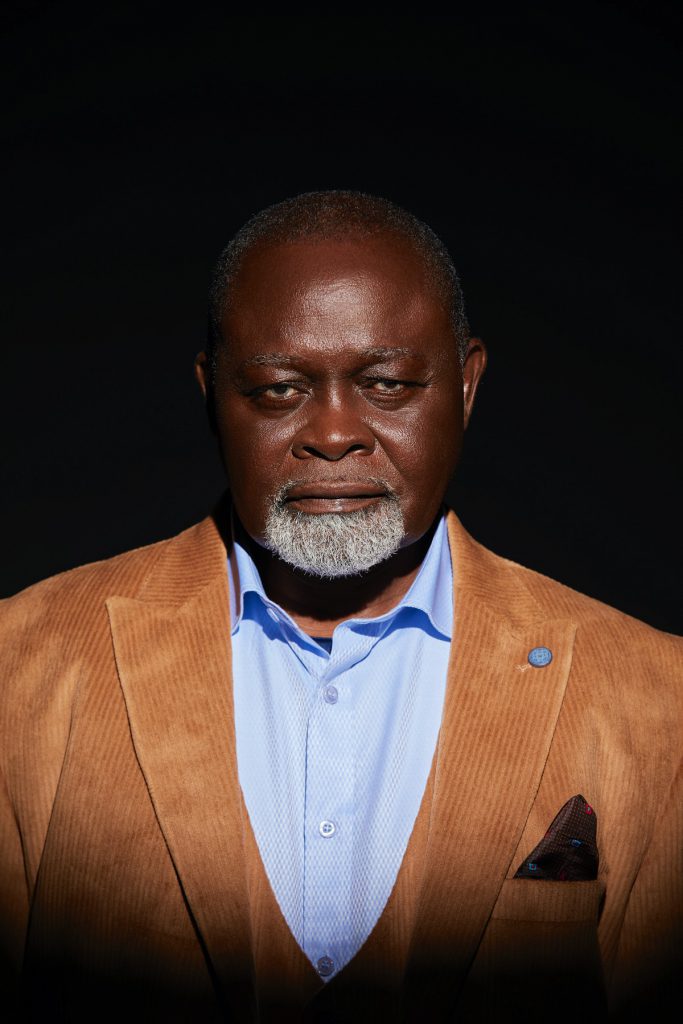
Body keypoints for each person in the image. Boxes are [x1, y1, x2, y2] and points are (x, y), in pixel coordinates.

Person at [1, 191, 680, 1024]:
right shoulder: (20, 668)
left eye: (386, 384)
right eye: (277, 389)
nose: (331, 433)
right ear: (211, 395)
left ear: (466, 384)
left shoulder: (657, 700)